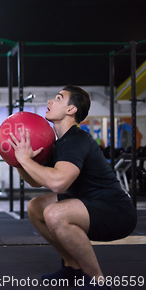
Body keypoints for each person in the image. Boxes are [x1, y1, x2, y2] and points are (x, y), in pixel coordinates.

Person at [8, 85, 137, 290]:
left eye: (58, 98)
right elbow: (36, 180)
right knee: (36, 207)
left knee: (55, 214)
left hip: (115, 211)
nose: (50, 101)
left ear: (71, 110)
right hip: (88, 204)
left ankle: (97, 281)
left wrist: (25, 160)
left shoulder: (77, 139)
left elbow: (58, 182)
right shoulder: (58, 144)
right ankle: (72, 269)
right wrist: (17, 161)